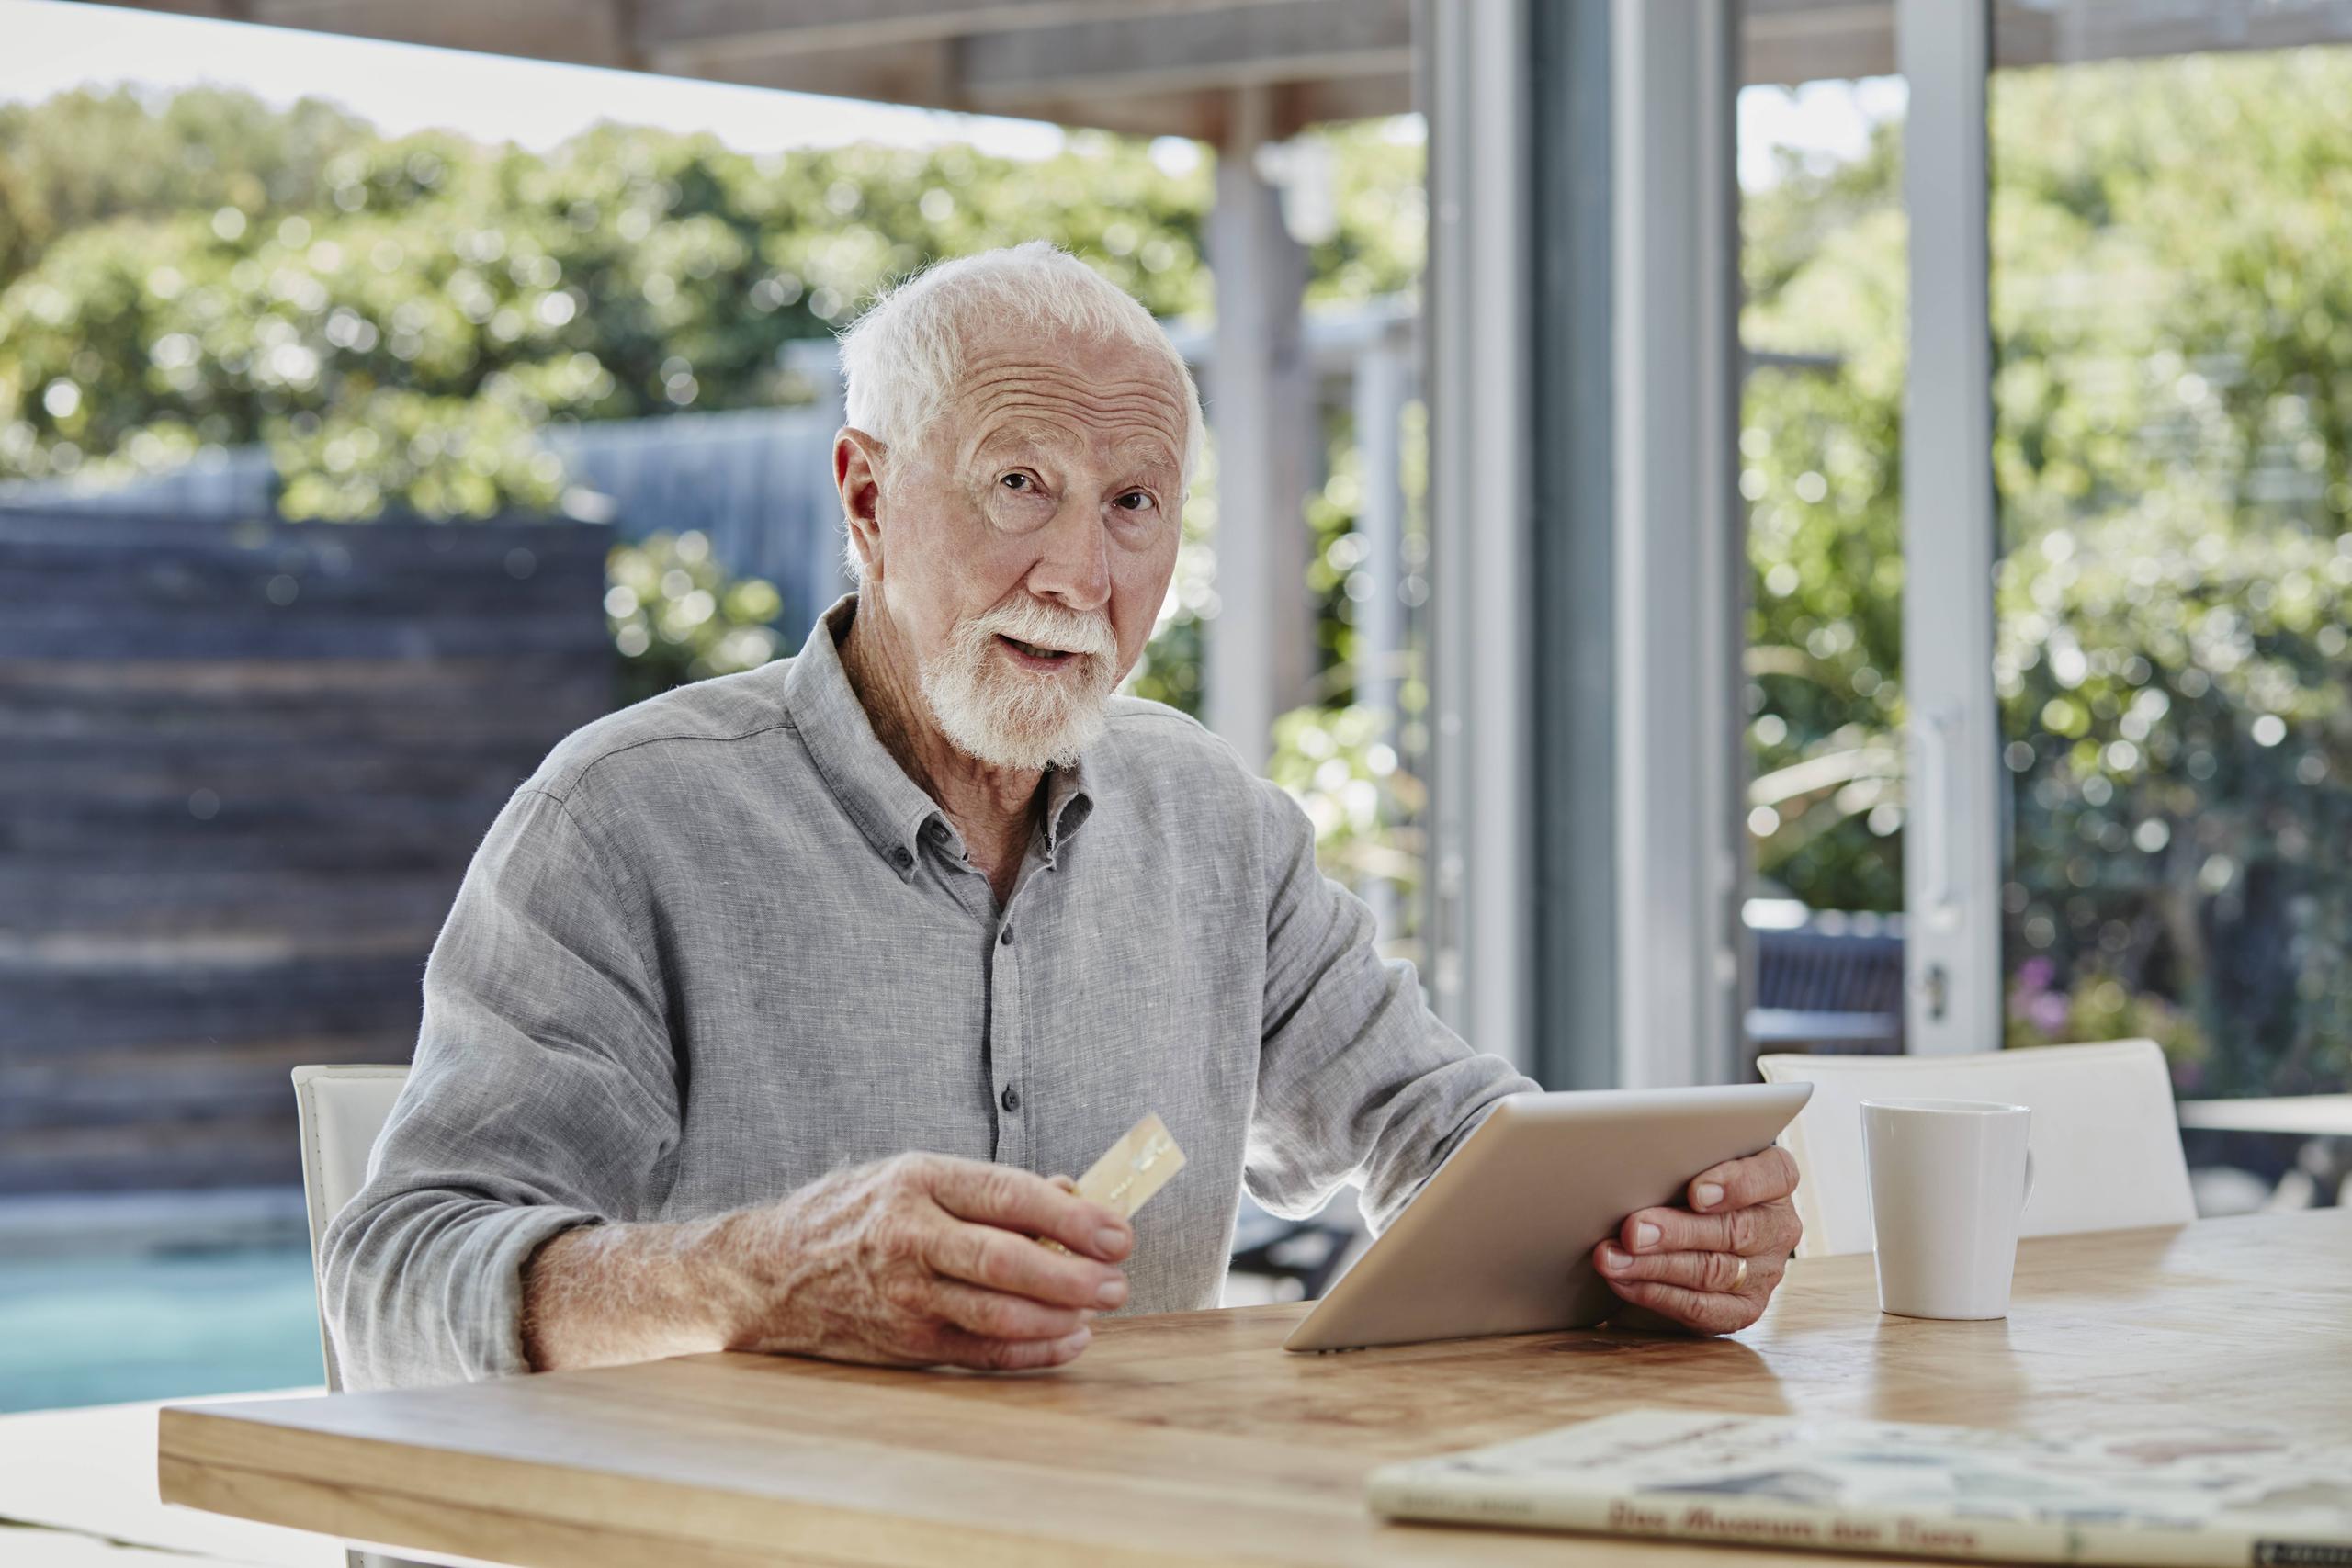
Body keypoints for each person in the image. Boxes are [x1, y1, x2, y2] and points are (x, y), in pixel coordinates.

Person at [322, 242, 1802, 1389]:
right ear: (868, 496)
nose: (1078, 576)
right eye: (1019, 484)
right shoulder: (621, 822)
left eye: (1135, 505)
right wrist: (754, 1278)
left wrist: (1647, 1244)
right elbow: (392, 1281)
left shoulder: (1217, 823)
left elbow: (1433, 1127)